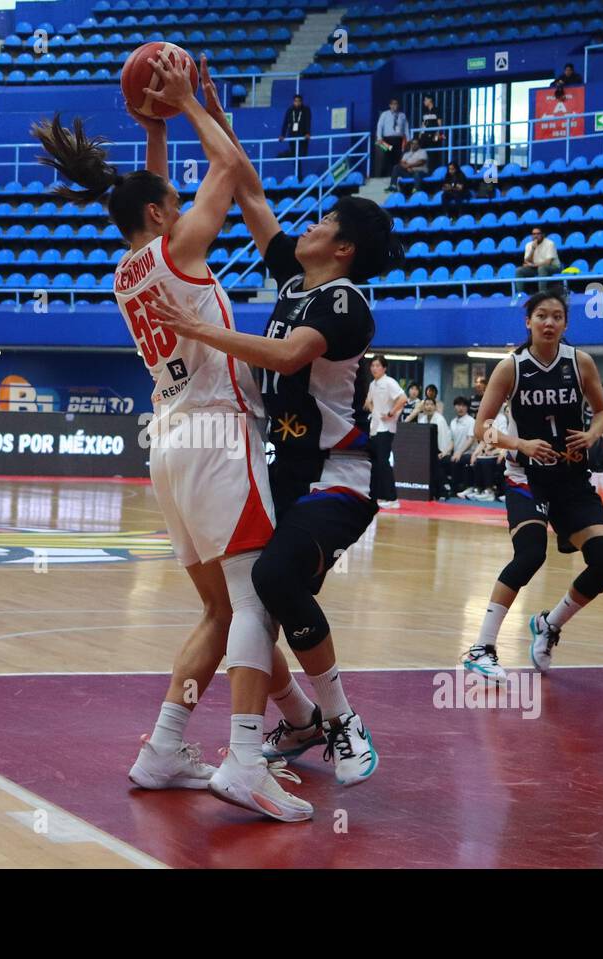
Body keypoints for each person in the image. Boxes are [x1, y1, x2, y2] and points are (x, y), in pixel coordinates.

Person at [33, 53, 312, 821]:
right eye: (173, 202)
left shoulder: (130, 264)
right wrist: (192, 105)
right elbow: (233, 167)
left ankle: (163, 746)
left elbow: (156, 198)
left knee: (221, 616)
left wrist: (155, 132)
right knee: (256, 602)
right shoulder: (180, 247)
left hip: (170, 442)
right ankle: (248, 760)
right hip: (220, 435)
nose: (184, 204)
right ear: (161, 216)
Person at [143, 96, 399, 795]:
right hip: (283, 468)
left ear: (342, 248)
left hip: (340, 477)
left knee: (272, 581)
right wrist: (208, 110)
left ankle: (341, 720)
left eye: (323, 221)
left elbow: (288, 357)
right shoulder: (293, 273)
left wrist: (197, 330)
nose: (307, 225)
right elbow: (247, 185)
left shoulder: (345, 302)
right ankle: (290, 725)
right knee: (260, 599)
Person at [461, 291, 603, 684]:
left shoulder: (579, 362)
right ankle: (482, 647)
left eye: (558, 317)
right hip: (526, 479)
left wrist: (593, 434)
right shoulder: (510, 367)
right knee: (530, 554)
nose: (549, 323)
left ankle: (549, 623)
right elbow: (483, 427)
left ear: (566, 324)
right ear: (528, 322)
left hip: (570, 479)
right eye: (542, 316)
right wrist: (520, 444)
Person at [364, 354, 408, 507]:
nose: (374, 368)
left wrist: (390, 413)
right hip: (374, 428)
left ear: (384, 368)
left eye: (377, 365)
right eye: (372, 365)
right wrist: (374, 411)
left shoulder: (389, 382)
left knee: (383, 461)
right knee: (375, 463)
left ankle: (392, 498)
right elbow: (367, 402)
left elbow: (403, 398)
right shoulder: (372, 384)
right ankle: (379, 495)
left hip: (386, 428)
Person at [461, 399, 510, 501]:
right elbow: (484, 441)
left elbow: (504, 439)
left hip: (501, 450)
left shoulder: (501, 419)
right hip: (491, 450)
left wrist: (499, 452)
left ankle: (490, 490)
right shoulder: (488, 420)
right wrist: (476, 453)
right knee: (474, 459)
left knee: (485, 461)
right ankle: (477, 488)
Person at [447, 396, 475, 498]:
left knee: (458, 460)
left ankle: (457, 489)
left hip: (469, 453)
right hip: (456, 453)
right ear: (455, 407)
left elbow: (470, 440)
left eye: (463, 406)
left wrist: (459, 452)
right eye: (458, 405)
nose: (460, 408)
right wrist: (445, 452)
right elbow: (452, 441)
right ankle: (444, 487)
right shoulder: (453, 422)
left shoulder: (471, 421)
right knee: (443, 460)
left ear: (467, 407)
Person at [373, 97, 407, 177]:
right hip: (387, 139)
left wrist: (408, 139)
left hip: (398, 139)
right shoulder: (385, 114)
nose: (395, 106)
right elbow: (380, 126)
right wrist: (379, 137)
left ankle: (396, 174)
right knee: (387, 156)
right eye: (393, 104)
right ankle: (385, 174)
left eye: (396, 104)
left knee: (397, 156)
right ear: (390, 105)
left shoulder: (402, 115)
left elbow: (406, 127)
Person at [278, 93, 311, 158]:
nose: (297, 103)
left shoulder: (306, 110)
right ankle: (283, 155)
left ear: (301, 102)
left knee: (303, 154)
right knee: (294, 154)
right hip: (292, 134)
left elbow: (308, 121)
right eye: (296, 101)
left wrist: (307, 133)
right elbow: (285, 123)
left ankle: (284, 154)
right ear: (293, 102)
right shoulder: (290, 110)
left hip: (303, 134)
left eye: (299, 101)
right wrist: (282, 135)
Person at [418, 94, 444, 161]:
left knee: (434, 151)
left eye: (425, 100)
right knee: (423, 151)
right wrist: (420, 134)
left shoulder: (437, 110)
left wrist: (438, 134)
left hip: (434, 134)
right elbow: (423, 124)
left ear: (430, 100)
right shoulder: (424, 111)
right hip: (425, 135)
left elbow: (439, 123)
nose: (424, 102)